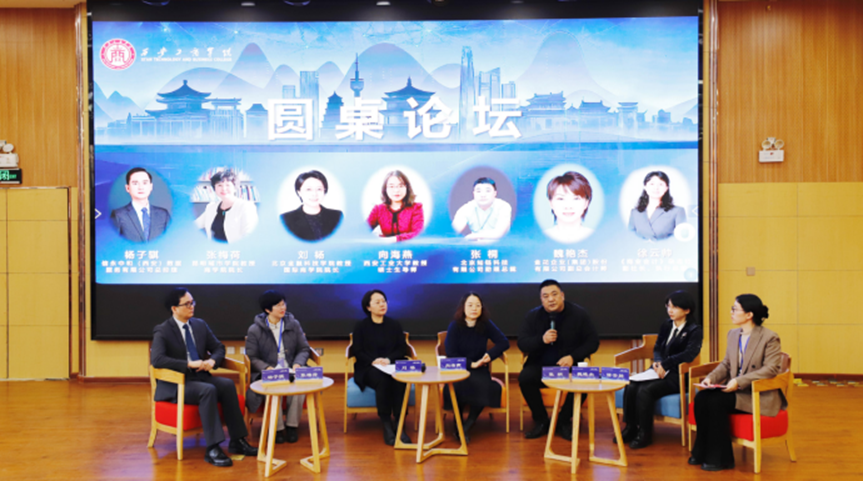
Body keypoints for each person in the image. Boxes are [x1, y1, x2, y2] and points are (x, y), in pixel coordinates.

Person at [150, 288, 257, 467]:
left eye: (192, 302)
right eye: (187, 304)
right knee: (208, 390)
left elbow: (218, 347)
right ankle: (213, 448)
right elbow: (157, 359)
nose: (192, 307)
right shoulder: (163, 330)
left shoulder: (199, 325)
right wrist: (188, 364)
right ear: (174, 308)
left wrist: (212, 361)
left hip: (200, 377)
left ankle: (237, 441)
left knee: (227, 385)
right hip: (177, 383)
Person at [689, 294, 785, 471]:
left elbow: (771, 369)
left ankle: (721, 459)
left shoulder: (770, 337)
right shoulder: (733, 334)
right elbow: (726, 364)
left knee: (716, 401)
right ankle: (701, 451)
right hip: (734, 389)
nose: (731, 312)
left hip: (757, 394)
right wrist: (710, 378)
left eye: (735, 309)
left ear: (749, 314)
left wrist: (739, 381)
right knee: (702, 398)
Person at [619, 291, 703, 449]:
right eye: (668, 306)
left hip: (678, 375)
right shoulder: (666, 324)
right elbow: (657, 347)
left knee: (645, 390)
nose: (670, 310)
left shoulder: (694, 330)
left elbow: (689, 354)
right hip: (659, 369)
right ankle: (630, 428)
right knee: (631, 386)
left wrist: (666, 364)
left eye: (675, 307)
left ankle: (645, 433)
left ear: (687, 310)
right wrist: (658, 362)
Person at [518, 279, 599, 441]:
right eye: (546, 296)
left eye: (554, 294)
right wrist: (541, 340)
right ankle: (541, 421)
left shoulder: (579, 314)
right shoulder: (533, 316)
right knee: (525, 378)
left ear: (562, 295)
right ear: (541, 300)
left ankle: (563, 420)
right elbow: (522, 343)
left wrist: (572, 357)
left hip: (569, 366)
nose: (551, 299)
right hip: (540, 366)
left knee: (585, 381)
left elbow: (593, 342)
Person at [245, 290, 312, 444]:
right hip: (269, 371)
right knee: (272, 386)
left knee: (300, 384)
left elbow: (304, 349)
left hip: (291, 368)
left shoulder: (293, 324)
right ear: (267, 310)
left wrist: (297, 364)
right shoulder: (255, 330)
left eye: (284, 304)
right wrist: (267, 368)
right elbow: (252, 357)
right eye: (278, 305)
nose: (283, 308)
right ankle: (277, 428)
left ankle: (292, 426)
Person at [443, 292, 510, 443]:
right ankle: (458, 423)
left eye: (478, 305)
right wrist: (470, 364)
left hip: (480, 369)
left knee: (485, 386)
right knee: (458, 386)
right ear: (463, 307)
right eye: (470, 305)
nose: (474, 308)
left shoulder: (485, 324)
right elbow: (451, 353)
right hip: (459, 368)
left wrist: (489, 355)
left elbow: (503, 342)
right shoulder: (455, 326)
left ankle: (467, 426)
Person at [350, 289, 412, 445]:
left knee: (399, 380)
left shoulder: (394, 325)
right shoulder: (361, 326)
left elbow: (401, 349)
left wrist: (388, 359)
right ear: (368, 307)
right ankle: (386, 424)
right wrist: (374, 361)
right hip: (369, 367)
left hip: (391, 365)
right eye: (377, 302)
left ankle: (400, 424)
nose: (382, 304)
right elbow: (358, 350)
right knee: (383, 381)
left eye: (384, 301)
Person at [195, 169, 258, 243]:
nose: (223, 189)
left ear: (235, 188)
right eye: (219, 185)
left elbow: (249, 235)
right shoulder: (211, 207)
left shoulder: (246, 206)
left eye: (228, 185)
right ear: (214, 188)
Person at [110, 167, 171, 242]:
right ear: (127, 188)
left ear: (151, 186)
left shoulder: (163, 214)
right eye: (135, 183)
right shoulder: (118, 215)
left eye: (145, 183)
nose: (140, 187)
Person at [281, 170, 343, 241]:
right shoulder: (286, 219)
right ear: (299, 192)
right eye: (308, 189)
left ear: (324, 191)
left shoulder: (337, 216)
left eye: (319, 189)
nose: (314, 194)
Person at [367, 170, 424, 243]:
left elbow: (418, 234)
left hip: (409, 248)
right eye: (391, 186)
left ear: (407, 188)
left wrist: (391, 239)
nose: (396, 190)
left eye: (401, 186)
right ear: (385, 189)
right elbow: (363, 230)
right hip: (385, 249)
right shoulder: (378, 209)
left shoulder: (416, 208)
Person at [628, 171, 687, 240]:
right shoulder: (635, 212)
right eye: (652, 184)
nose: (656, 188)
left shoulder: (678, 211)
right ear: (645, 187)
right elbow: (630, 237)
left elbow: (681, 237)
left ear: (666, 188)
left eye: (661, 184)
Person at [543, 171, 594, 243]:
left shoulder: (596, 237)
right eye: (561, 199)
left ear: (586, 203)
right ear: (551, 203)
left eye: (576, 199)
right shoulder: (542, 237)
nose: (568, 206)